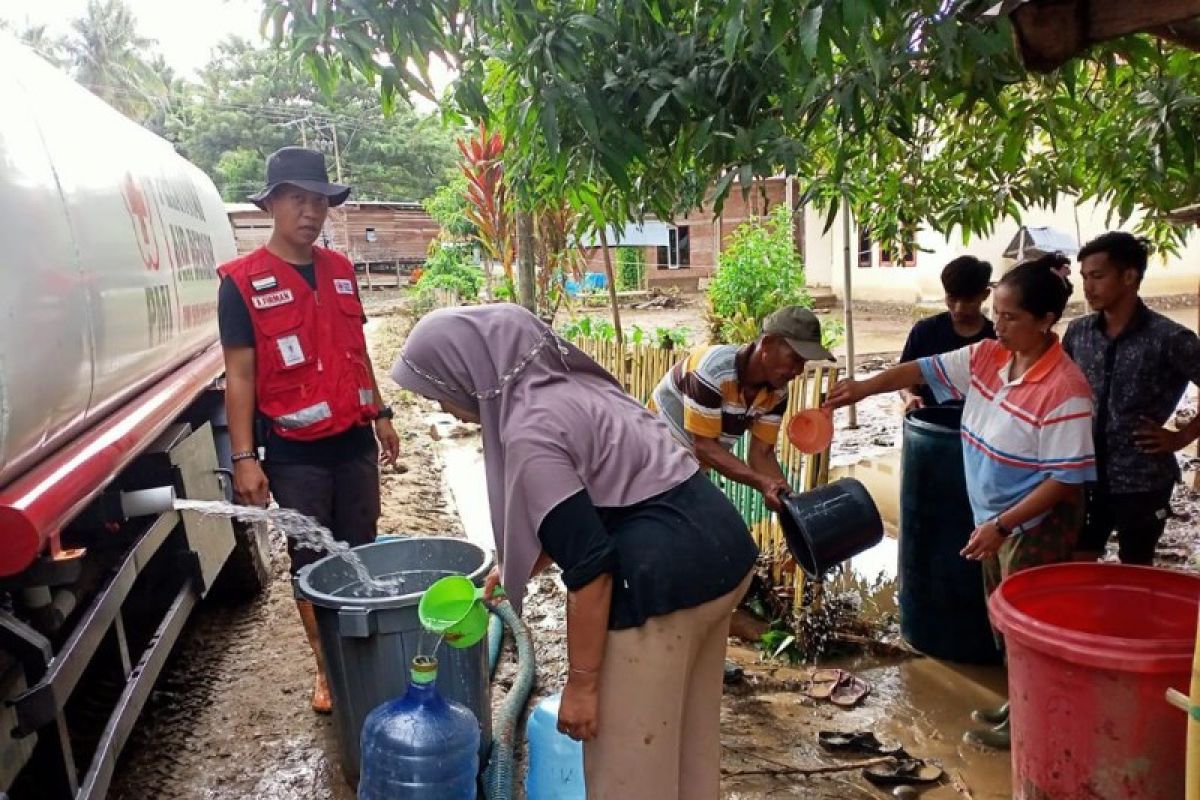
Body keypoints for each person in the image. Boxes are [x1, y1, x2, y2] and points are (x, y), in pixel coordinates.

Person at [391, 304, 758, 800]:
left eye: (440, 388)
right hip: (723, 558)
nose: (441, 404)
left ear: (472, 371)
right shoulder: (581, 388)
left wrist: (583, 686)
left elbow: (591, 569)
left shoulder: (528, 430)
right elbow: (604, 499)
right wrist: (519, 565)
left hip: (661, 582)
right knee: (690, 751)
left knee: (628, 777)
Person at [827, 253, 1096, 749]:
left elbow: (1064, 480)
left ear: (1045, 321)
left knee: (1027, 626)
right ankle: (1018, 702)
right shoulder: (991, 357)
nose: (999, 325)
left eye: (1011, 317)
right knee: (1001, 616)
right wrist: (863, 388)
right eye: (998, 313)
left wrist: (1004, 525)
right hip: (996, 516)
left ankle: (1030, 723)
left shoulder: (1065, 389)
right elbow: (921, 368)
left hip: (1034, 523)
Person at [217, 147, 400, 714]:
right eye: (297, 198)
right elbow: (240, 375)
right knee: (311, 560)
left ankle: (364, 656)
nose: (310, 211)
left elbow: (356, 350)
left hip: (353, 441)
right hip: (294, 454)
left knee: (362, 550)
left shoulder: (342, 270)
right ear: (271, 203)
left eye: (318, 200)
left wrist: (384, 415)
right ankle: (327, 669)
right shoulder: (241, 284)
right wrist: (245, 456)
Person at [1064, 232, 1200, 564]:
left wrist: (1181, 437)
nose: (1088, 287)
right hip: (1083, 473)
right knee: (1075, 561)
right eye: (1084, 277)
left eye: (1097, 276)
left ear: (1129, 276)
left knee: (1136, 567)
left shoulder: (1169, 338)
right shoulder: (1078, 333)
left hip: (1141, 478)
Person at [648, 306, 836, 512]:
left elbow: (761, 454)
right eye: (795, 358)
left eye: (804, 362)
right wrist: (761, 482)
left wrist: (789, 502)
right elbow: (704, 448)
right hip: (648, 466)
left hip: (687, 475)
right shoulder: (711, 371)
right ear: (767, 344)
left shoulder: (777, 392)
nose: (799, 371)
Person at [898, 256, 996, 412]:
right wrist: (910, 396)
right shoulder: (925, 331)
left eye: (968, 301)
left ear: (985, 295)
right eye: (952, 298)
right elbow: (903, 378)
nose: (958, 308)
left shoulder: (995, 338)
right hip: (929, 423)